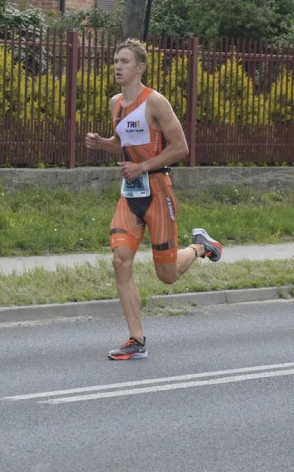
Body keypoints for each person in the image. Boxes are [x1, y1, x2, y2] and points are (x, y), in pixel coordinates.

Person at [85, 38, 222, 360]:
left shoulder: (155, 102)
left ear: (140, 67)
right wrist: (101, 143)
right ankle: (136, 340)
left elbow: (181, 148)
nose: (117, 66)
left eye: (125, 61)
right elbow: (122, 143)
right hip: (130, 194)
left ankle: (201, 247)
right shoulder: (115, 102)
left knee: (167, 275)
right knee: (120, 261)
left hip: (158, 190)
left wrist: (142, 166)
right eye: (115, 60)